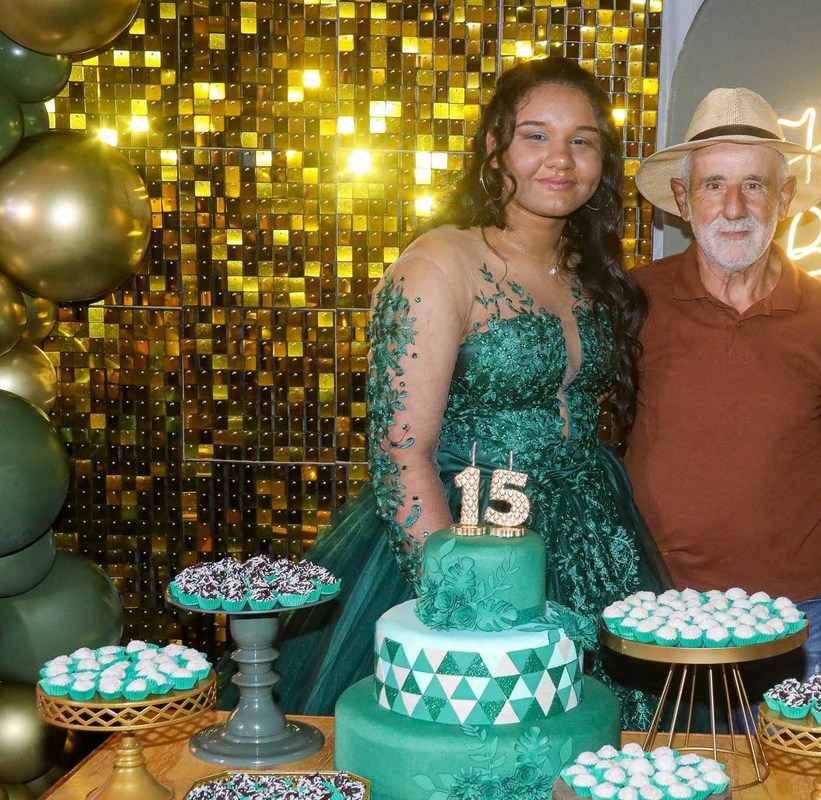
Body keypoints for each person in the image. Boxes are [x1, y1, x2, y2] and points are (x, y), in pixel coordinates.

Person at [269, 57, 670, 728]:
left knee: (598, 738)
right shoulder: (437, 264)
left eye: (582, 140)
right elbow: (400, 453)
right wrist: (455, 597)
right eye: (536, 136)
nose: (561, 159)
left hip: (594, 535)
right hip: (467, 529)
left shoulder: (588, 268)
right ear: (494, 147)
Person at [625, 87, 821, 697]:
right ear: (682, 198)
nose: (734, 206)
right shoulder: (632, 301)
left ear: (785, 196)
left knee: (789, 760)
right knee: (666, 761)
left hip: (799, 612)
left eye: (754, 184)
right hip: (659, 605)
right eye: (714, 184)